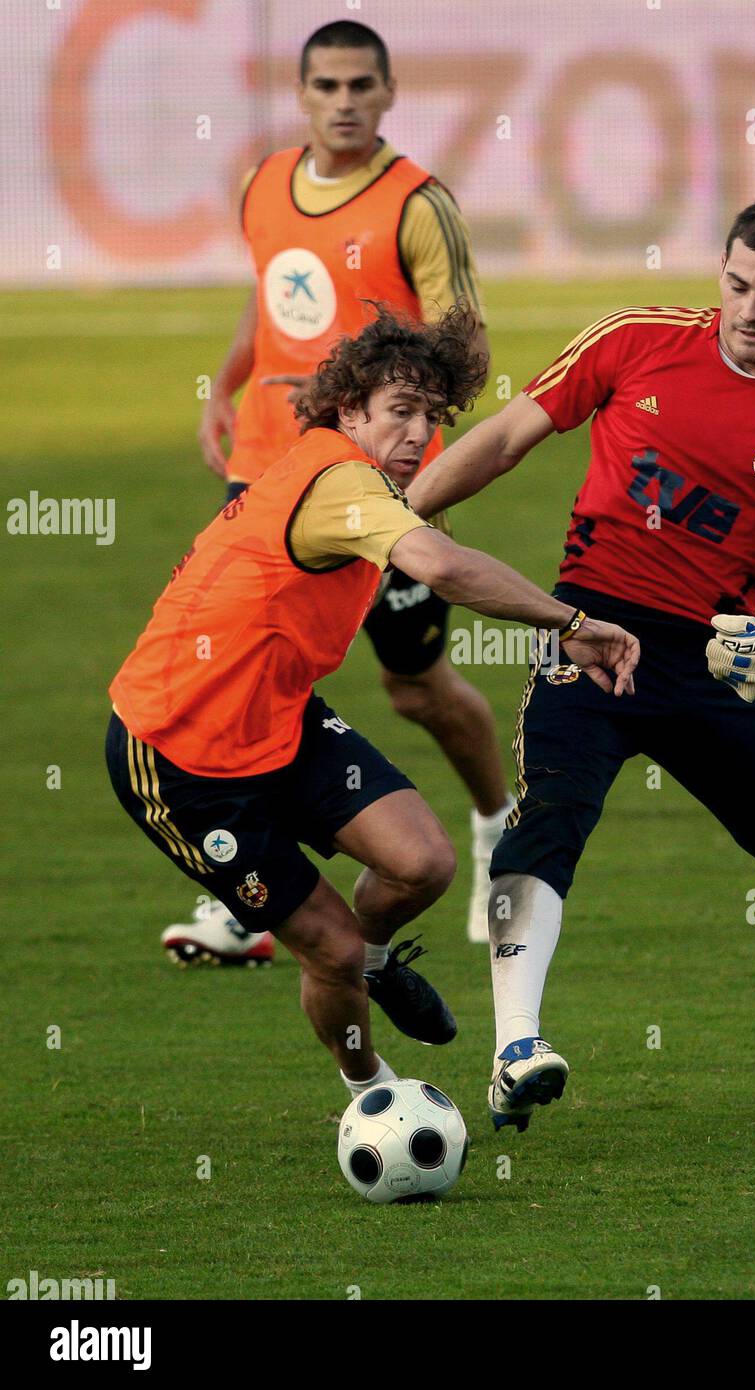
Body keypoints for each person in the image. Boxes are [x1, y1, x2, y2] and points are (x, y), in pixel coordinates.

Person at [407, 193, 755, 1132]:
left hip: (715, 660)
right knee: (550, 817)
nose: (751, 310)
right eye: (738, 284)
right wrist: (402, 514)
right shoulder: (634, 340)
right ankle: (514, 1049)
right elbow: (507, 437)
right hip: (589, 632)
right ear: (721, 271)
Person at [107, 306, 639, 1096]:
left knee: (422, 862)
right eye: (401, 411)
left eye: (433, 415)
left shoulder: (358, 480)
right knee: (330, 948)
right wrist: (574, 623)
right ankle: (375, 1096)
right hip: (178, 753)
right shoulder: (339, 485)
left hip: (277, 719)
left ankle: (378, 958)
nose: (421, 432)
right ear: (349, 410)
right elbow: (446, 569)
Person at [164, 18, 507, 968]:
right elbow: (271, 292)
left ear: (389, 94)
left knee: (413, 688)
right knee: (246, 670)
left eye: (363, 85)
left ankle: (494, 832)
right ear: (303, 94)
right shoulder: (261, 184)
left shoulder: (418, 206)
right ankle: (253, 890)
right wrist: (229, 382)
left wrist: (411, 462)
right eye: (327, 86)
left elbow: (459, 350)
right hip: (270, 474)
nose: (345, 102)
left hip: (379, 482)